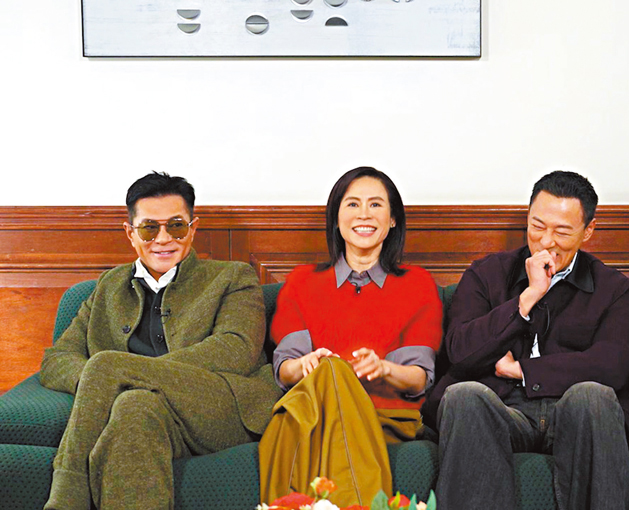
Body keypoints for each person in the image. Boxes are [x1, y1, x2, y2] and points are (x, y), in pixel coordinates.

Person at [40, 172, 280, 510]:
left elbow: (236, 349)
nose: (164, 239)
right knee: (134, 405)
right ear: (131, 233)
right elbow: (57, 359)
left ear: (193, 228)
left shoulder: (232, 277)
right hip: (147, 410)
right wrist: (102, 384)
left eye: (176, 226)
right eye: (150, 228)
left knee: (109, 366)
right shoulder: (108, 287)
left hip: (220, 408)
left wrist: (123, 373)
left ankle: (66, 499)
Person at [425, 171, 629, 510]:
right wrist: (528, 298)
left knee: (593, 396)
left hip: (573, 412)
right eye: (538, 226)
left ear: (588, 230)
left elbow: (612, 366)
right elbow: (460, 352)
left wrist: (523, 370)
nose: (546, 242)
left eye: (562, 232)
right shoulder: (486, 273)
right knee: (463, 396)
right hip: (503, 407)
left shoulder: (615, 289)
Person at [259, 167, 443, 507]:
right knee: (329, 373)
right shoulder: (302, 283)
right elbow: (285, 370)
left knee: (334, 371)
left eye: (376, 205)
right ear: (336, 217)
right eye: (353, 204)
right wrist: (307, 365)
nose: (364, 215)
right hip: (314, 414)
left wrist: (383, 368)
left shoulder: (416, 285)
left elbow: (418, 379)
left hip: (384, 418)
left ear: (392, 220)